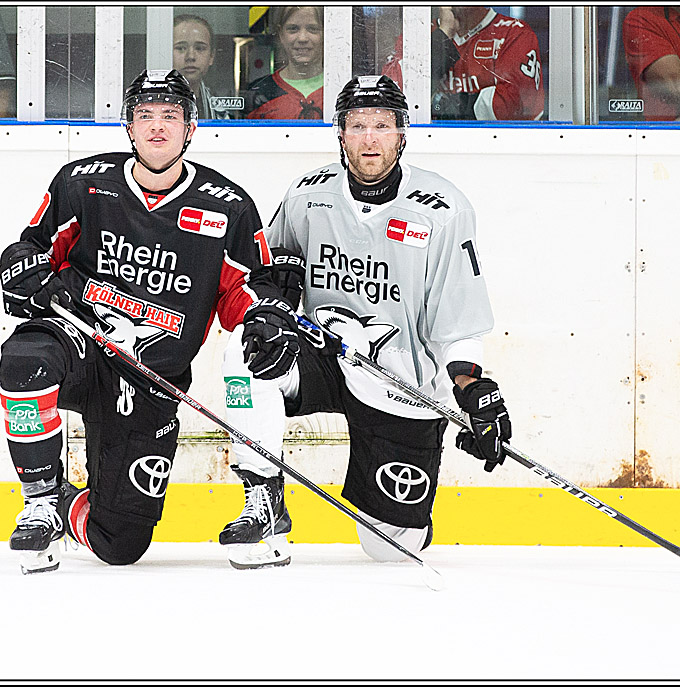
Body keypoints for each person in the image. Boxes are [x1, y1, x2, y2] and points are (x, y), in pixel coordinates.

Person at [0, 69, 297, 574]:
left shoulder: (227, 206)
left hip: (151, 378)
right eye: (145, 115)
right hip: (80, 341)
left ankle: (68, 503)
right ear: (129, 126)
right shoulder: (82, 183)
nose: (157, 126)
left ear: (191, 128)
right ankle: (40, 500)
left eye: (170, 116)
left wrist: (265, 317)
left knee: (118, 544)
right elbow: (33, 250)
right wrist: (20, 267)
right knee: (25, 361)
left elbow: (246, 290)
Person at [217, 75, 511, 569]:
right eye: (357, 125)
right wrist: (269, 311)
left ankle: (406, 512)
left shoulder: (443, 210)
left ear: (402, 133)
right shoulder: (308, 195)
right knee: (246, 352)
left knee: (390, 547)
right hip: (322, 353)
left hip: (400, 378)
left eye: (382, 125)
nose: (369, 138)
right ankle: (264, 498)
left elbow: (458, 317)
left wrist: (469, 386)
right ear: (340, 133)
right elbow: (271, 272)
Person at [382, 6, 544, 121]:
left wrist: (436, 104)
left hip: (494, 149)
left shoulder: (515, 33)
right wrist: (443, 36)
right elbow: (391, 97)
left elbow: (509, 107)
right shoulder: (417, 33)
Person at [245, 6, 324, 120]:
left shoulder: (343, 89)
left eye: (313, 29)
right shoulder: (259, 93)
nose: (302, 38)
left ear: (325, 33)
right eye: (293, 29)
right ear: (281, 34)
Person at [172, 14, 236, 120]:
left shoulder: (220, 112)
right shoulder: (149, 105)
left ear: (211, 56)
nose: (191, 56)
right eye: (181, 48)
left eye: (200, 48)